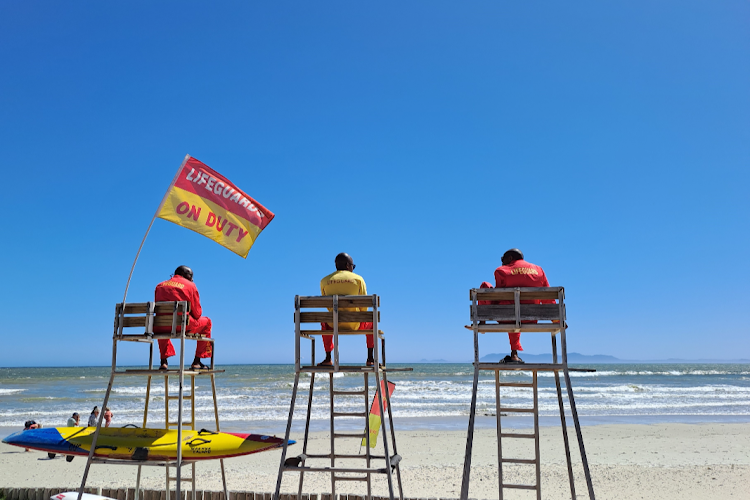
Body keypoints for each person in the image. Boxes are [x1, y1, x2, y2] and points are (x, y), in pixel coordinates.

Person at [480, 248, 552, 364]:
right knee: (514, 308)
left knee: (486, 287)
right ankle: (514, 354)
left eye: (502, 259)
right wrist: (556, 319)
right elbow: (548, 297)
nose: (501, 262)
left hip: (507, 316)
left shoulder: (501, 271)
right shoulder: (539, 270)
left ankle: (482, 321)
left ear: (510, 258)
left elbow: (499, 296)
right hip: (531, 317)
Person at [318, 252, 374, 366]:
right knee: (372, 322)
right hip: (355, 323)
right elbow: (364, 308)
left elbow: (327, 305)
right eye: (353, 266)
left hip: (333, 324)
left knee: (325, 321)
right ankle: (370, 358)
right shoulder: (358, 279)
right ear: (348, 265)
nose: (353, 268)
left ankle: (328, 358)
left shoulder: (324, 281)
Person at [154, 266, 212, 371]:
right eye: (191, 276)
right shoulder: (191, 286)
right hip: (182, 325)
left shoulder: (160, 286)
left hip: (160, 326)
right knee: (207, 322)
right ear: (184, 274)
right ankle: (197, 361)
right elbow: (197, 313)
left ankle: (163, 361)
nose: (192, 279)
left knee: (163, 321)